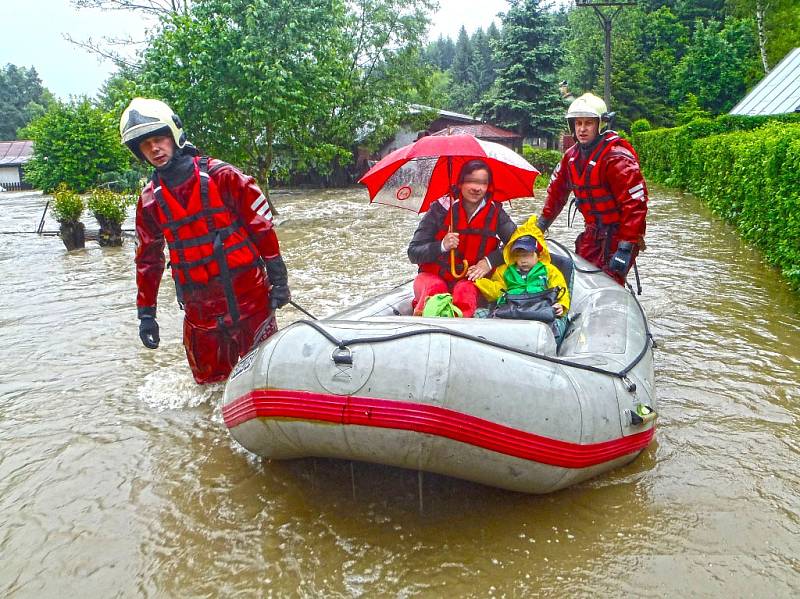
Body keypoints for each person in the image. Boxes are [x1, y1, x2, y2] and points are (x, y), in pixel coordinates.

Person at [120, 97, 290, 384]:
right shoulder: (149, 201)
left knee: (265, 380)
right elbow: (147, 259)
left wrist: (280, 281)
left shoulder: (222, 175)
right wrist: (146, 314)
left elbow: (262, 227)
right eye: (145, 145)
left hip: (250, 300)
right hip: (200, 312)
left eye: (159, 139)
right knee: (209, 390)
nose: (154, 148)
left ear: (174, 136)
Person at [536, 92, 648, 286]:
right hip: (592, 233)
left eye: (588, 123)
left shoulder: (617, 158)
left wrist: (625, 248)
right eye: (578, 123)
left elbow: (635, 206)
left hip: (618, 236)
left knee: (610, 281)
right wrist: (539, 228)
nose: (582, 129)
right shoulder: (570, 157)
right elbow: (556, 194)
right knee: (581, 278)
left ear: (600, 125)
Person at [407, 159, 516, 317]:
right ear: (460, 183)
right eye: (470, 181)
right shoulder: (440, 209)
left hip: (470, 279)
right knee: (435, 289)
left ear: (488, 186)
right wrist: (442, 246)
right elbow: (413, 252)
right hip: (433, 276)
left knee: (465, 291)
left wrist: (489, 261)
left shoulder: (496, 212)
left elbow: (517, 245)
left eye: (483, 183)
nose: (476, 188)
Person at [476, 217, 570, 341]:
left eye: (527, 255)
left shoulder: (550, 270)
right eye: (518, 256)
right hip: (511, 311)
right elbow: (496, 292)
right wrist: (478, 282)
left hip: (540, 311)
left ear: (538, 254)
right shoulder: (504, 271)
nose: (522, 260)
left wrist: (562, 305)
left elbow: (561, 289)